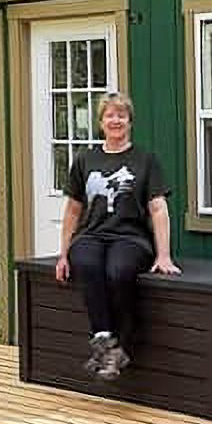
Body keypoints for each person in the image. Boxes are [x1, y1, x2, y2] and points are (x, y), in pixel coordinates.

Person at [54, 92, 181, 379]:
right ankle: (104, 342)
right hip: (92, 235)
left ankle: (123, 342)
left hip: (131, 238)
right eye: (110, 115)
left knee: (118, 272)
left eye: (121, 115)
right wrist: (63, 254)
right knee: (86, 265)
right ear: (101, 122)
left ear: (130, 121)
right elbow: (73, 210)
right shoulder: (86, 159)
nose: (116, 120)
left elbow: (158, 209)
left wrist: (163, 255)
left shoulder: (145, 160)